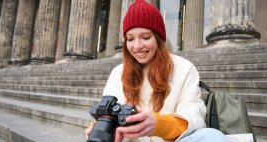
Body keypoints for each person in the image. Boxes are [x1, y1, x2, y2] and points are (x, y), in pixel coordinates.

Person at [85, 0, 228, 141]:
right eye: (130, 39)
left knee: (213, 136)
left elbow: (195, 117)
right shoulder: (118, 72)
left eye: (146, 37)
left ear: (159, 39)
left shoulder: (185, 68)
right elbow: (108, 111)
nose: (137, 46)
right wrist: (101, 126)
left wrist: (159, 124)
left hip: (173, 140)